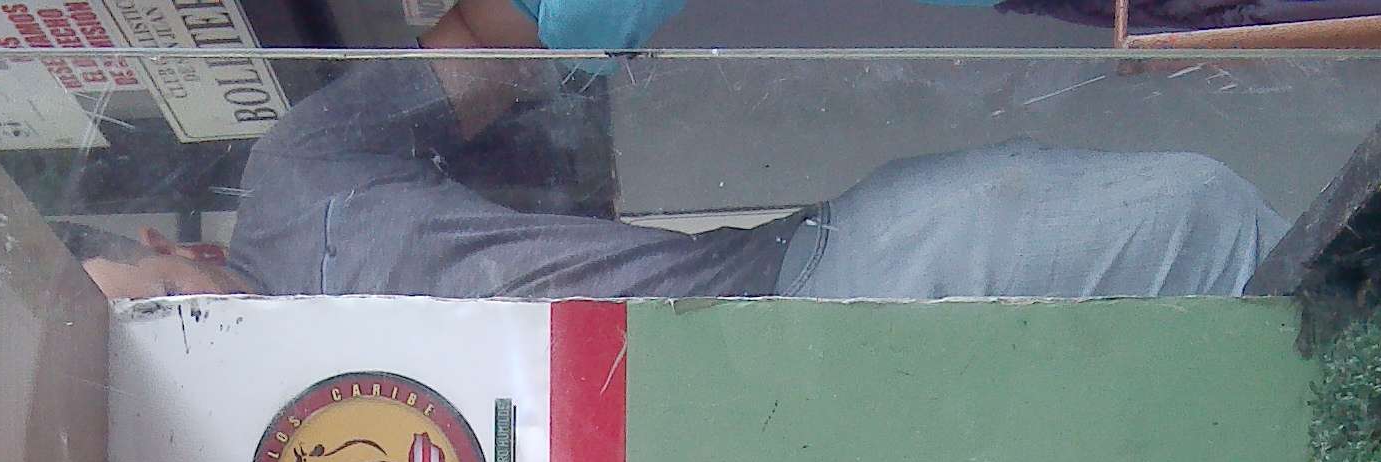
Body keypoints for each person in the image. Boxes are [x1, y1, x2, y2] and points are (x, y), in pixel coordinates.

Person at [81, 0, 1285, 305]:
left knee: (1190, 223)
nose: (172, 337)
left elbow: (499, 43)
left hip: (808, 299)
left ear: (164, 245)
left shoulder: (297, 187)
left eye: (148, 307)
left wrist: (573, 11)